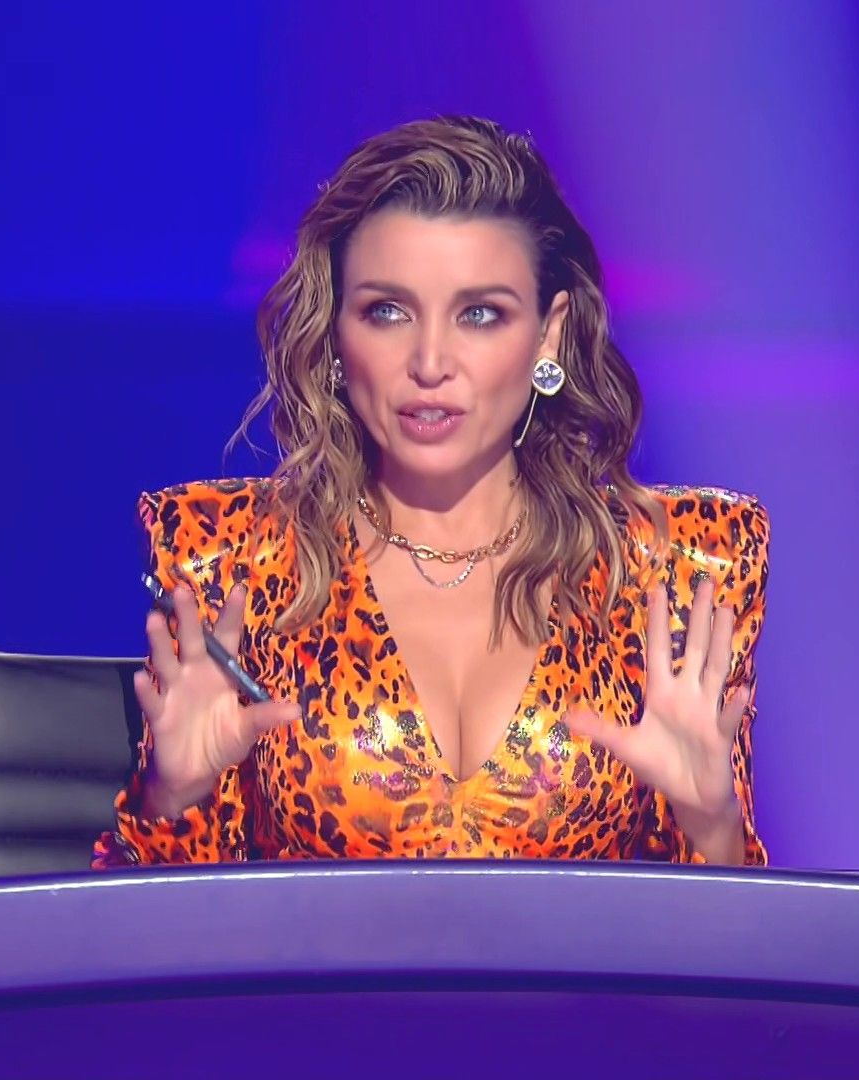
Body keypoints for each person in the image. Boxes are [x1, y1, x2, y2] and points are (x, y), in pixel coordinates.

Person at [93, 115, 770, 868]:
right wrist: (171, 797)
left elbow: (725, 932)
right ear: (336, 334)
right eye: (387, 312)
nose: (430, 361)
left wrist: (711, 825)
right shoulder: (233, 559)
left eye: (480, 314)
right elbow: (160, 933)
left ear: (548, 335)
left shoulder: (674, 569)